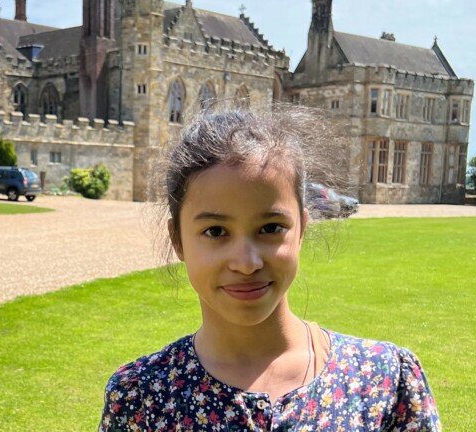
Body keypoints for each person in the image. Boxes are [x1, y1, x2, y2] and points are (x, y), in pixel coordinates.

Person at [98, 106, 441, 431]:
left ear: (302, 228)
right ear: (178, 240)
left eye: (271, 228)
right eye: (215, 231)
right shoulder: (140, 398)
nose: (247, 263)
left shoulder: (383, 380)